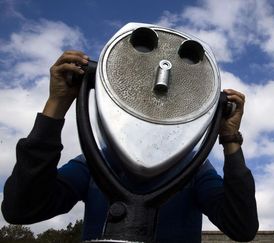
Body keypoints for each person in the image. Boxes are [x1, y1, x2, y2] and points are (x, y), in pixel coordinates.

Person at [1, 50, 259, 242]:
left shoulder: (193, 169)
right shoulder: (95, 163)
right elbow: (21, 208)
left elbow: (241, 226)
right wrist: (58, 103)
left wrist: (230, 139)